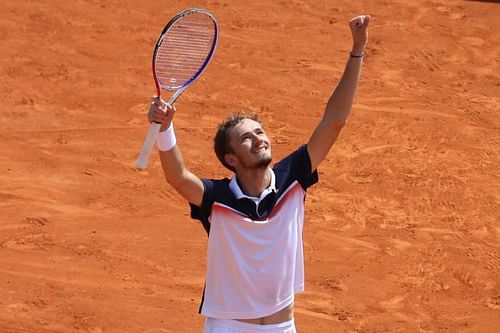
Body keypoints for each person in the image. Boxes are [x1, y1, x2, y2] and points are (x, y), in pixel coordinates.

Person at [147, 15, 370, 333]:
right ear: (231, 158)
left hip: (282, 326)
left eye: (260, 132)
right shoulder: (218, 199)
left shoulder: (294, 176)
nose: (259, 140)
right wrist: (165, 130)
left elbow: (335, 119)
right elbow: (178, 177)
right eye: (246, 138)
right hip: (228, 327)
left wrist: (357, 50)